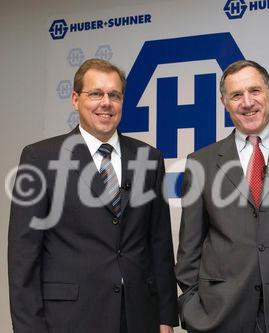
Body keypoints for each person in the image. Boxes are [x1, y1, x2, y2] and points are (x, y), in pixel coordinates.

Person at [8, 58, 178, 333]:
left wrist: (166, 317)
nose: (106, 103)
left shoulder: (149, 158)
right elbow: (23, 257)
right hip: (69, 319)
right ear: (75, 99)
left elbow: (159, 244)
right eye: (95, 94)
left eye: (114, 95)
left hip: (138, 317)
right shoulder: (40, 158)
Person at [175, 60, 269, 333]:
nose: (247, 102)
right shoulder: (201, 163)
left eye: (254, 91)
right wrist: (193, 310)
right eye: (236, 95)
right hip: (222, 317)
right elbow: (189, 250)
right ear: (224, 102)